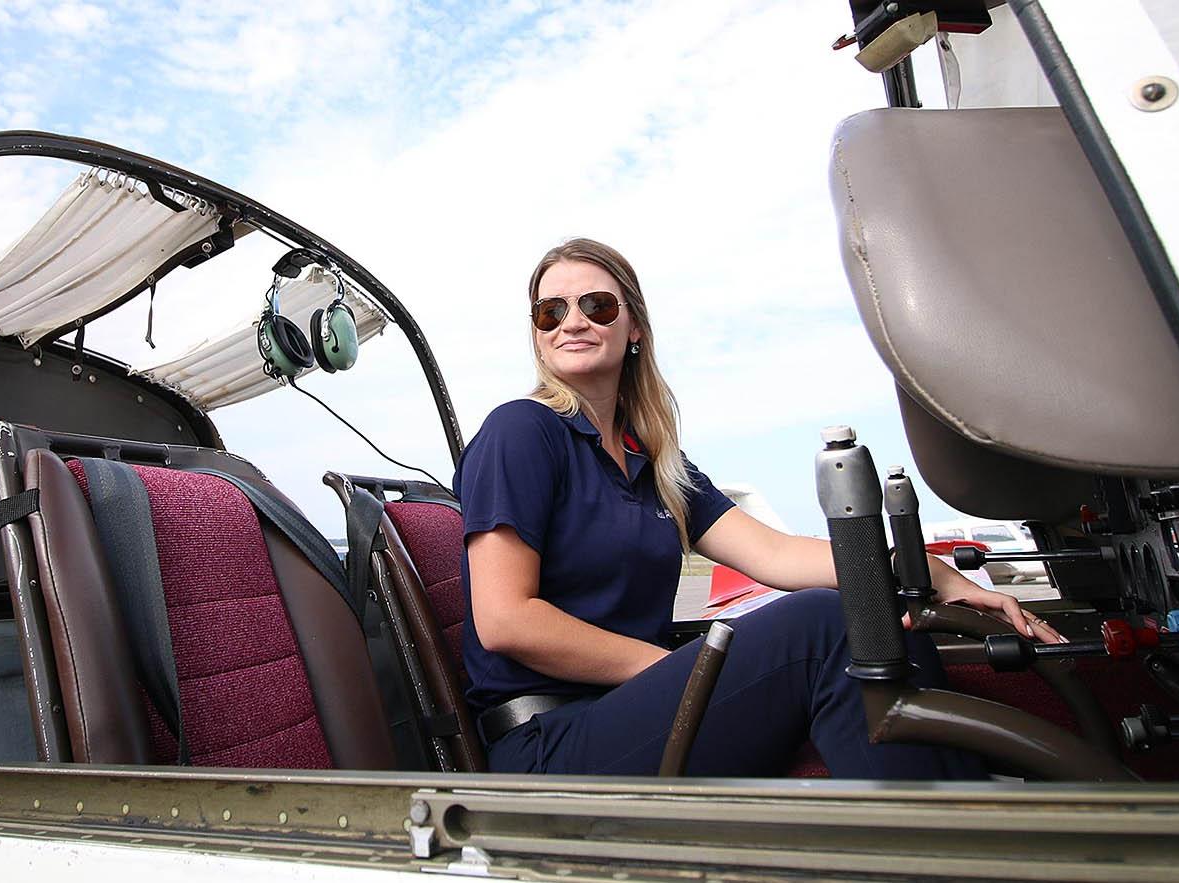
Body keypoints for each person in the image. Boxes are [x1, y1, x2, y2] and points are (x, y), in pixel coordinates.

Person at [457, 238, 1066, 778]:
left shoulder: (654, 462)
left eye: (597, 305)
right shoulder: (522, 432)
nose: (572, 322)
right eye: (550, 311)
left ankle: (960, 834)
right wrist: (679, 671)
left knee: (881, 625)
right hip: (552, 745)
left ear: (634, 326)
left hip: (634, 712)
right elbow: (508, 620)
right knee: (824, 624)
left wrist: (928, 576)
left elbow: (774, 554)